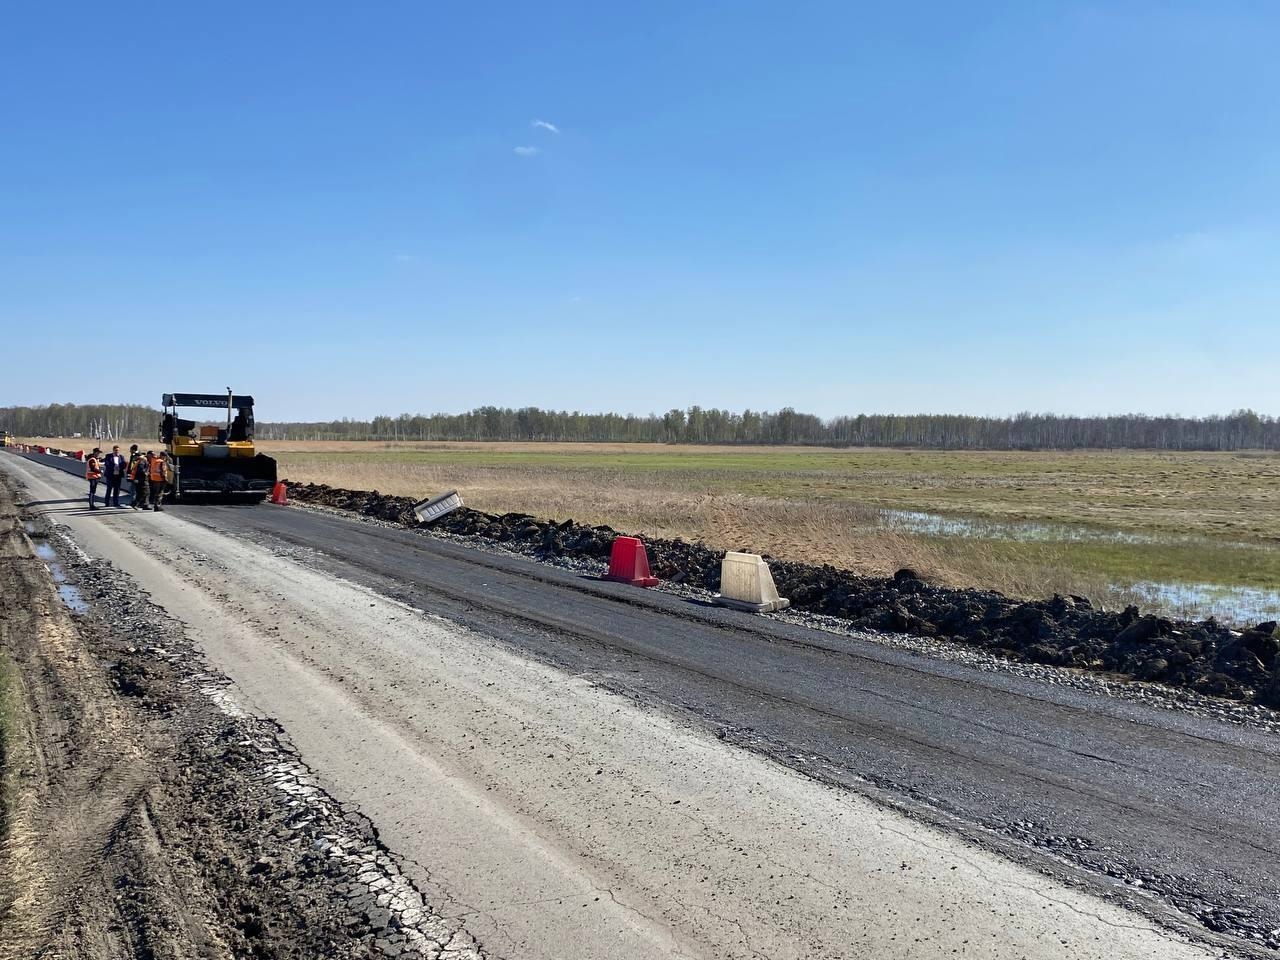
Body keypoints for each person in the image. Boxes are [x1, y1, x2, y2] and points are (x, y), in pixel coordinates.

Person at [128, 445, 149, 510]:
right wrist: (146, 473)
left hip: (137, 479)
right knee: (145, 492)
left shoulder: (136, 461)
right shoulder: (141, 461)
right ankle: (136, 504)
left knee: (139, 492)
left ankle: (137, 504)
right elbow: (141, 471)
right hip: (141, 479)